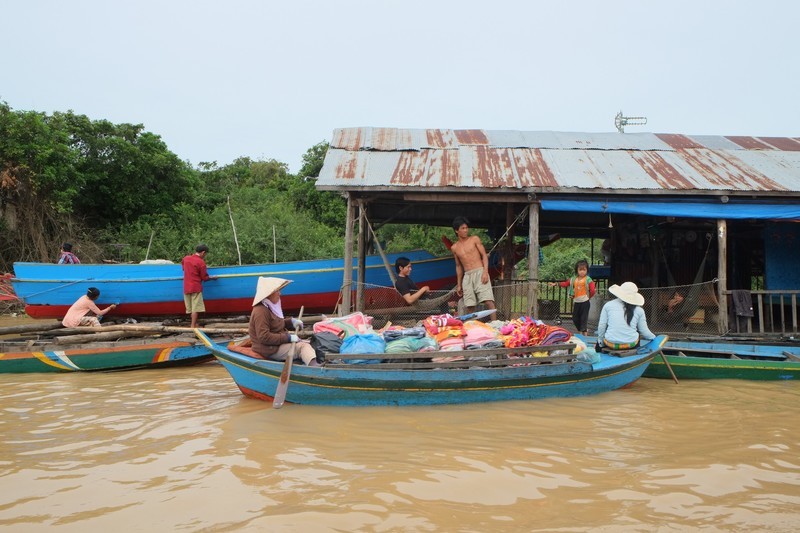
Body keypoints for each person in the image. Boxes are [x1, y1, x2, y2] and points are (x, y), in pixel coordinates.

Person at [249, 276, 318, 366]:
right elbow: (264, 337)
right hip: (269, 349)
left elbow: (275, 324)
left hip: (275, 345)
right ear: (269, 294)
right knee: (302, 347)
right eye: (277, 291)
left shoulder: (269, 306)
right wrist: (288, 338)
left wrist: (291, 322)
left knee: (309, 343)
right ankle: (317, 370)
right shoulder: (261, 311)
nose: (280, 293)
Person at [450, 216, 496, 320]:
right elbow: (458, 266)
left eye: (466, 228)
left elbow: (484, 255)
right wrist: (459, 285)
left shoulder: (474, 239)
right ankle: (471, 326)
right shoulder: (454, 247)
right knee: (469, 305)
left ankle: (495, 324)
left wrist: (485, 272)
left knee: (488, 301)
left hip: (480, 272)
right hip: (467, 275)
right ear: (456, 230)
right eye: (463, 228)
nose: (466, 230)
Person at [596, 282, 656, 351]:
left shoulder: (608, 305)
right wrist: (654, 338)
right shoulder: (639, 310)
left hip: (610, 344)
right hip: (631, 345)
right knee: (637, 334)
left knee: (604, 333)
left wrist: (601, 343)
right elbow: (644, 331)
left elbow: (602, 326)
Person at [549, 259, 596, 335]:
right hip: (577, 302)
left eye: (584, 269)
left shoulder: (588, 279)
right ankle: (583, 330)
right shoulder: (573, 279)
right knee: (575, 319)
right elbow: (566, 283)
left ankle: (584, 335)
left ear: (587, 270)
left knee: (583, 319)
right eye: (580, 269)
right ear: (577, 270)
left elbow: (593, 290)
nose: (582, 271)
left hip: (585, 302)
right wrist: (556, 284)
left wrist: (589, 297)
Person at [182, 244, 218, 328]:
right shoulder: (201, 262)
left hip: (186, 287)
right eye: (205, 254)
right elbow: (204, 277)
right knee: (196, 308)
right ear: (203, 252)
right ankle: (193, 326)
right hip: (195, 287)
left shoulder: (186, 259)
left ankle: (193, 324)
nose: (205, 256)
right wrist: (213, 278)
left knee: (190, 308)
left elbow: (184, 268)